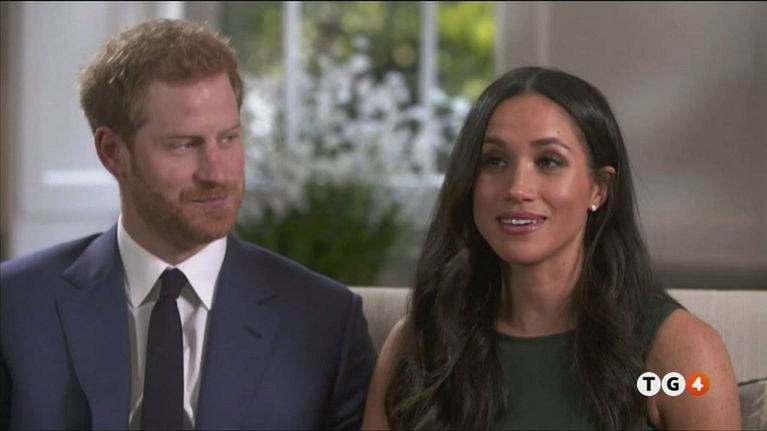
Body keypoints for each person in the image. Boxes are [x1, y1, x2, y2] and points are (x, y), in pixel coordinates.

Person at [0, 18, 376, 430]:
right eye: (184, 145)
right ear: (113, 152)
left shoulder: (324, 321)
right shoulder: (15, 306)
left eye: (228, 138)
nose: (217, 172)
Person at [362, 67, 740, 430]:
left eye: (548, 161)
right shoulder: (417, 344)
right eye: (494, 160)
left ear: (599, 189)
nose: (518, 188)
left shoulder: (679, 353)